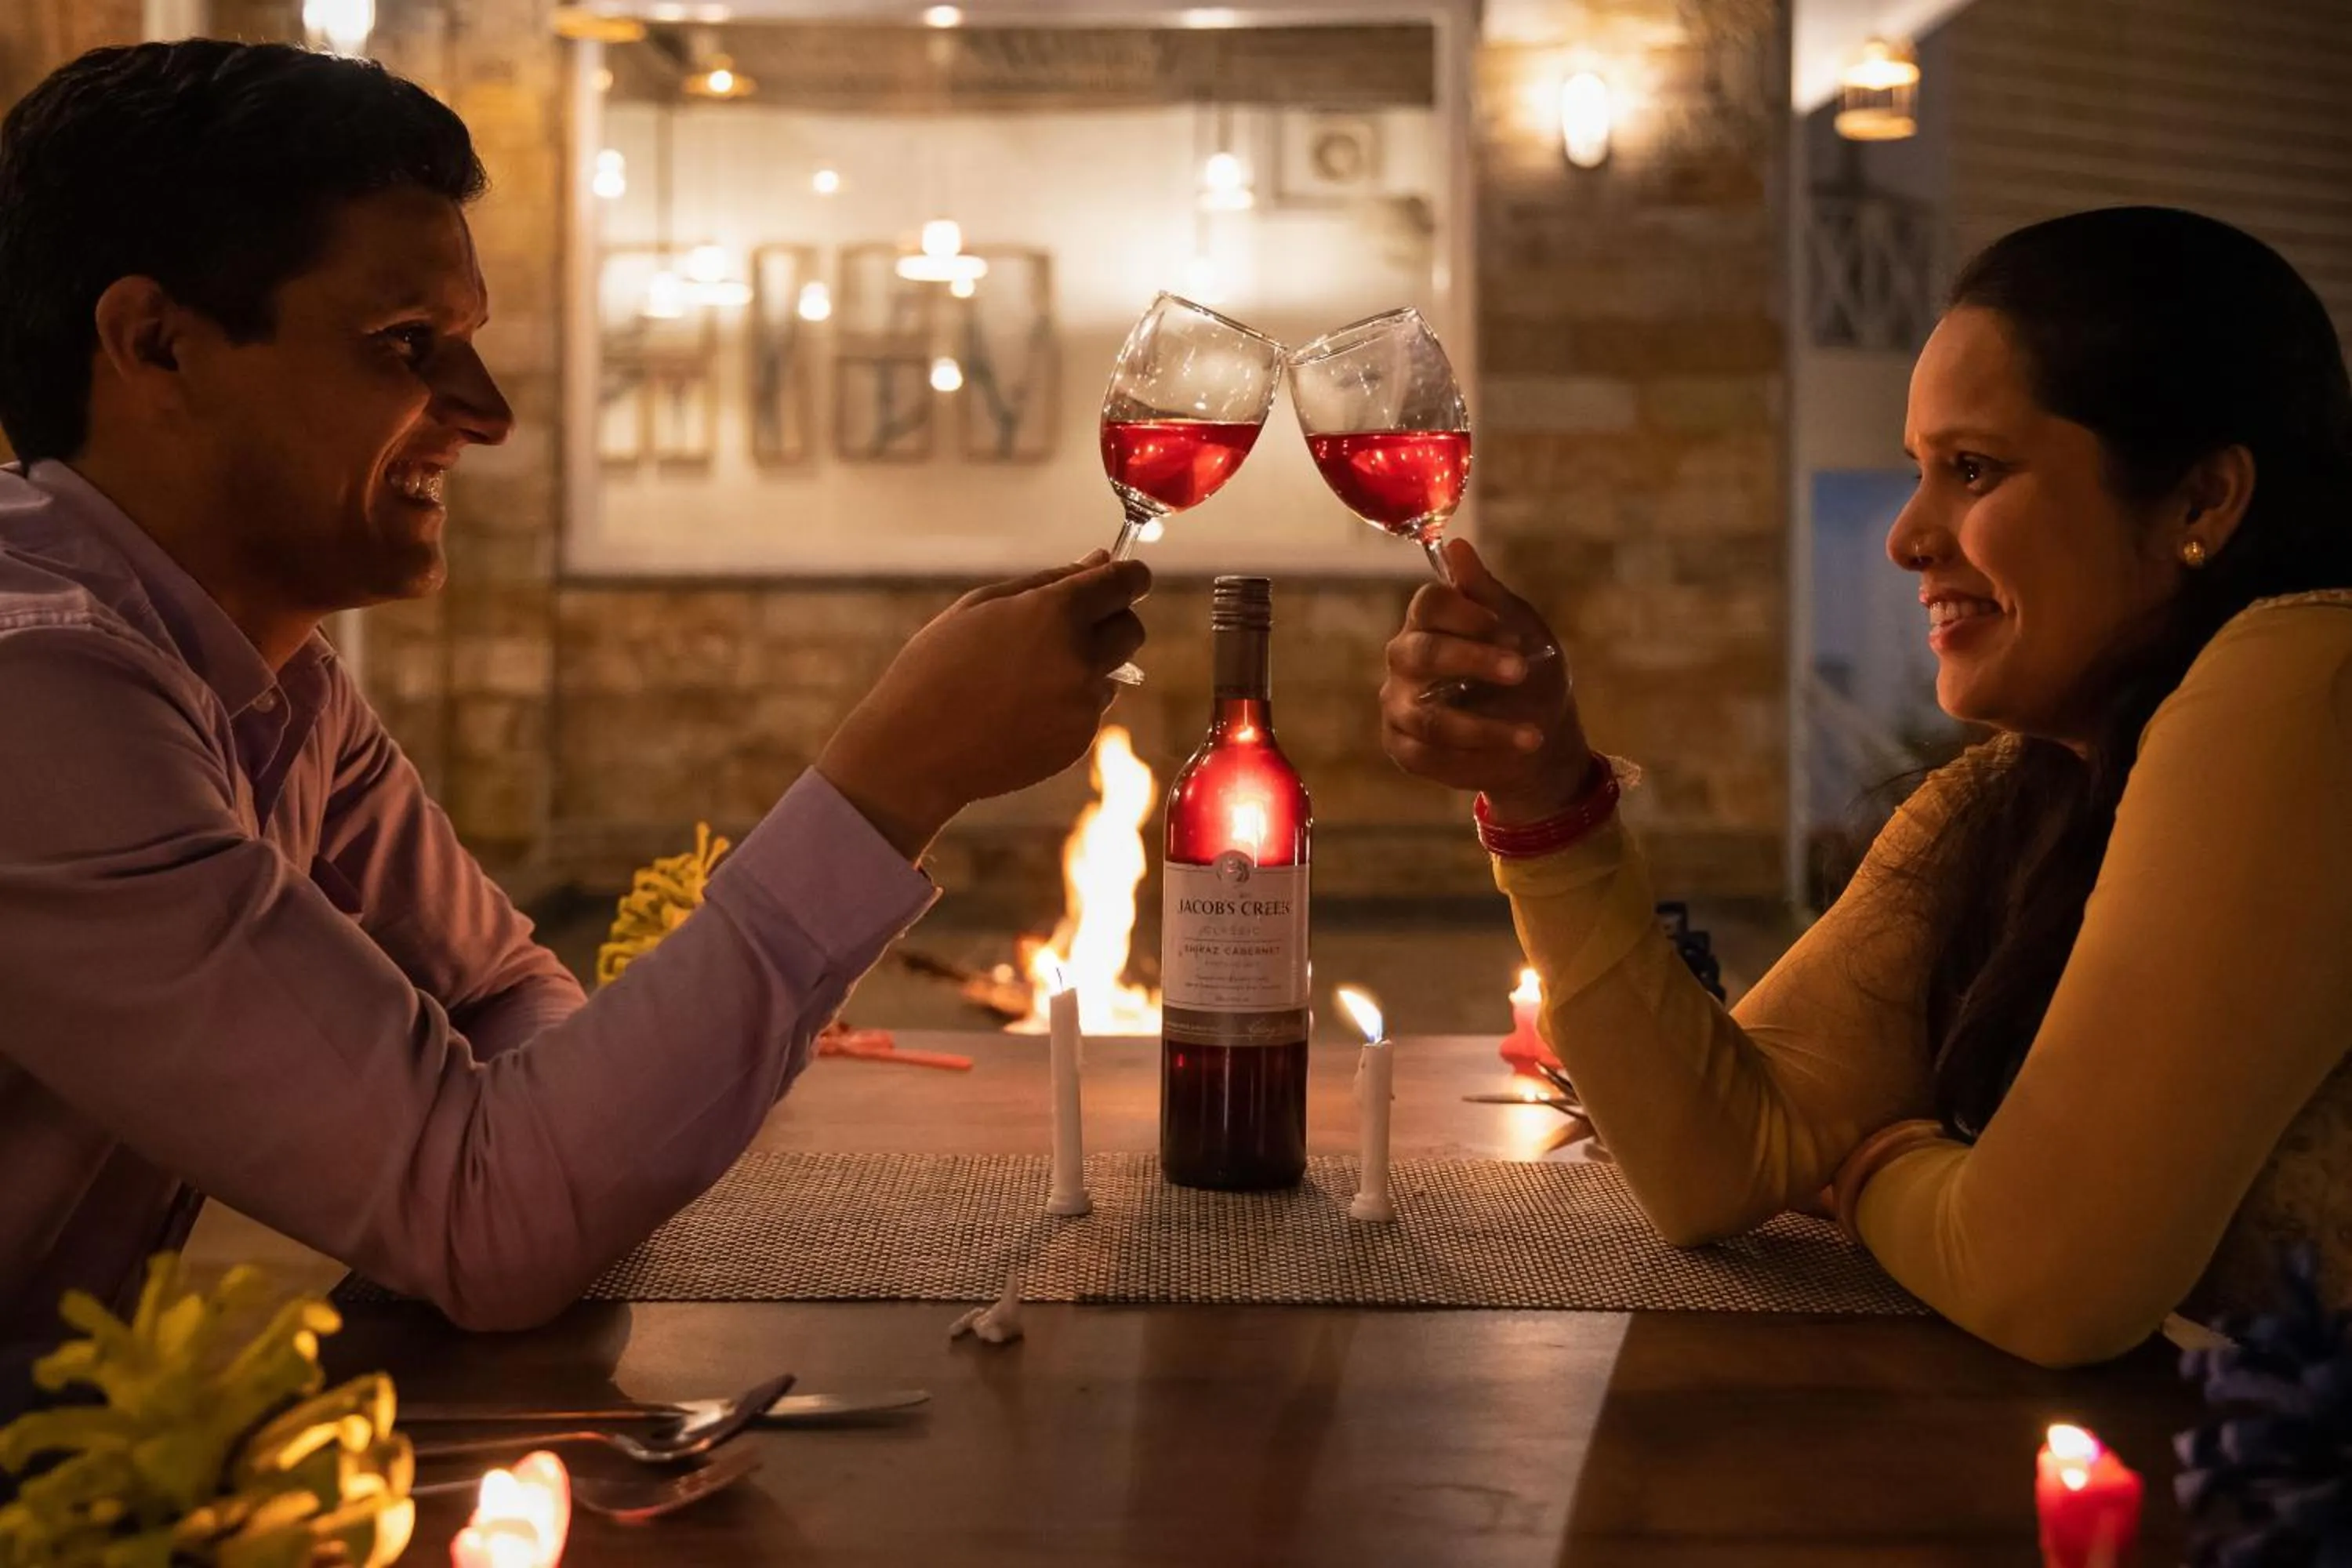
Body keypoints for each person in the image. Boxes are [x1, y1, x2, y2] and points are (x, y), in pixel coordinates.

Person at [0, 39, 1149, 1353]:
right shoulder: (34, 686)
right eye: (405, 344)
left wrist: (545, 1140)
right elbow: (489, 1218)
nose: (483, 413)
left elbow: (503, 996)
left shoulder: (278, 689)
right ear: (157, 347)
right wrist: (893, 781)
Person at [1381, 207, 2352, 1367]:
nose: (1905, 538)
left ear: (2202, 501)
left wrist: (1876, 1161)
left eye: (1974, 471)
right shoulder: (2020, 790)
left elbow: (2043, 1279)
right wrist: (1547, 802)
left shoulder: (2308, 677)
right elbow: (1714, 1162)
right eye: (1920, 472)